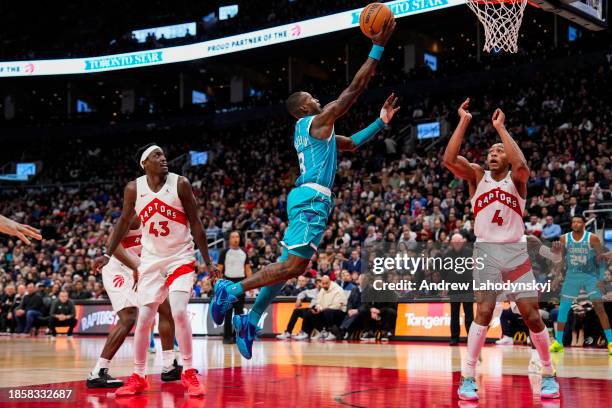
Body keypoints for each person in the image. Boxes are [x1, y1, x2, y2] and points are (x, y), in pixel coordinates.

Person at [210, 17, 398, 359]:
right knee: (294, 267)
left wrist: (381, 122)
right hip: (312, 198)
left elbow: (352, 144)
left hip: (309, 198)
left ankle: (250, 319)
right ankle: (231, 288)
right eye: (312, 97)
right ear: (302, 108)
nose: (317, 99)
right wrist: (378, 46)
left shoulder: (318, 134)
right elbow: (351, 93)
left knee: (285, 269)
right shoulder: (314, 121)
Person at [443, 99, 559, 400]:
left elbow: (522, 165)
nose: (493, 154)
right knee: (482, 311)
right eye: (491, 151)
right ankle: (467, 376)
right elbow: (449, 159)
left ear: (507, 158)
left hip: (515, 251)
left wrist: (501, 128)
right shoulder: (476, 176)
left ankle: (548, 371)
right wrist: (464, 121)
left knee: (531, 315)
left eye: (499, 151)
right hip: (486, 252)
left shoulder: (516, 180)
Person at [98, 144, 217, 397]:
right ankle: (138, 376)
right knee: (143, 319)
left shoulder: (180, 183)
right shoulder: (134, 188)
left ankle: (187, 371)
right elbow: (122, 222)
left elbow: (196, 223)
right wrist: (106, 253)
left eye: (163, 155)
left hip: (180, 256)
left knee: (179, 311)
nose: (163, 159)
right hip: (151, 261)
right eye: (157, 156)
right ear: (144, 163)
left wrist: (208, 261)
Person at [87, 217, 181, 388]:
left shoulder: (167, 218)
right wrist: (136, 267)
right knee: (128, 317)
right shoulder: (136, 214)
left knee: (167, 309)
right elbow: (112, 245)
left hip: (141, 266)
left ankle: (169, 366)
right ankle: (98, 372)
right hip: (119, 266)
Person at [549, 216, 612, 355]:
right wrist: (556, 276)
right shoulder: (564, 238)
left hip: (590, 276)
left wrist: (601, 278)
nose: (575, 223)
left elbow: (601, 260)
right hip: (572, 276)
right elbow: (561, 260)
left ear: (584, 224)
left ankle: (611, 342)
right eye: (573, 222)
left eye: (578, 222)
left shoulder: (592, 238)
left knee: (599, 308)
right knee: (563, 309)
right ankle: (558, 343)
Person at [217, 231, 252, 344]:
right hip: (228, 283)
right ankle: (227, 337)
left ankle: (237, 337)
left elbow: (247, 269)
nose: (235, 239)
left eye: (237, 236)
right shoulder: (224, 252)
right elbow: (219, 269)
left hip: (240, 283)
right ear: (229, 239)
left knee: (239, 312)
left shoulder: (244, 253)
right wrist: (218, 284)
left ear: (240, 239)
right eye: (233, 237)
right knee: (227, 312)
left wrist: (251, 285)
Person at [442, 233, 474, 346]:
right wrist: (445, 285)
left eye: (459, 241)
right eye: (455, 242)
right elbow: (444, 273)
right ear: (451, 242)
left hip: (468, 288)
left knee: (469, 314)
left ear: (462, 242)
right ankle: (454, 338)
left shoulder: (469, 252)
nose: (457, 243)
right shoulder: (447, 255)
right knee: (454, 314)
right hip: (454, 288)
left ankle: (471, 338)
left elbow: (476, 268)